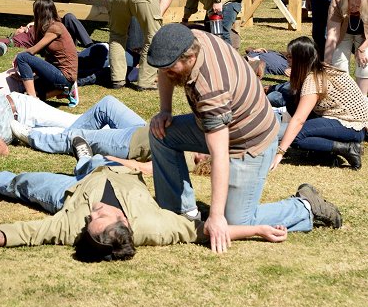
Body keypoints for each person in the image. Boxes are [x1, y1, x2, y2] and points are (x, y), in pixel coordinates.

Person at [147, 24, 343, 253]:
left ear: (189, 57)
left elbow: (220, 153)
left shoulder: (211, 89)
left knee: (234, 224)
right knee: (161, 133)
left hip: (249, 142)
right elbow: (163, 68)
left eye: (171, 69)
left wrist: (217, 216)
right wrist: (165, 111)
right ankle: (182, 213)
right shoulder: (189, 39)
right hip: (219, 124)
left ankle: (305, 206)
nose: (166, 73)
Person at [0, 148, 289, 262]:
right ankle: (85, 155)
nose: (93, 212)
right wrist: (258, 229)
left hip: (73, 190)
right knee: (93, 159)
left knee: (27, 183)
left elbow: (30, 232)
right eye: (99, 214)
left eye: (92, 218)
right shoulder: (156, 228)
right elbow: (205, 231)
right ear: (124, 221)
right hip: (115, 170)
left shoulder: (73, 225)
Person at [271, 36, 368, 171]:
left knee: (295, 136)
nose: (287, 61)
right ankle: (322, 150)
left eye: (290, 57)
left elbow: (299, 120)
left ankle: (348, 148)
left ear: (300, 60)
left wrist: (280, 152)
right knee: (292, 102)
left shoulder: (313, 80)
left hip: (352, 126)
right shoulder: (319, 68)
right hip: (340, 118)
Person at [104, 0, 175, 90]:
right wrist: (155, 16)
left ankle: (117, 80)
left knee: (117, 36)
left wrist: (116, 13)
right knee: (153, 35)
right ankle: (146, 82)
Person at [11, 94, 151, 161]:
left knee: (78, 136)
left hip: (134, 144)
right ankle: (63, 139)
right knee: (107, 104)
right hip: (145, 129)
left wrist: (137, 165)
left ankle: (33, 137)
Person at [14, 0, 79, 106]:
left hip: (64, 76)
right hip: (58, 74)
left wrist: (18, 56)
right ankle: (63, 90)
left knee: (22, 57)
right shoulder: (50, 26)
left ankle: (32, 100)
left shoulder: (55, 28)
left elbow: (33, 50)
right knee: (24, 91)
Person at [325, 0, 368, 95]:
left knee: (365, 62)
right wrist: (327, 61)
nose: (353, 8)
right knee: (338, 63)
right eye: (351, 4)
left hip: (365, 33)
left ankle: (362, 99)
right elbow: (332, 34)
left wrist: (362, 48)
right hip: (343, 30)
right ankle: (344, 97)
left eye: (358, 6)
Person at [0, 11, 93, 52]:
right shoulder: (20, 39)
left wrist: (35, 23)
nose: (20, 26)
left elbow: (56, 20)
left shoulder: (33, 24)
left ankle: (90, 45)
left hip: (62, 31)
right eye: (17, 29)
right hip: (56, 41)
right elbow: (5, 41)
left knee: (69, 16)